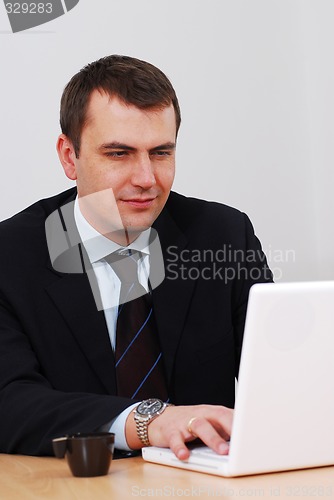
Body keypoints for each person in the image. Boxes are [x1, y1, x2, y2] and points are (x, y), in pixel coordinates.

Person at [0, 55, 272, 459]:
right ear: (69, 156)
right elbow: (10, 403)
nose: (146, 179)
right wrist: (147, 422)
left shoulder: (225, 235)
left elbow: (279, 379)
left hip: (204, 484)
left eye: (161, 152)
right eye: (119, 154)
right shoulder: (11, 256)